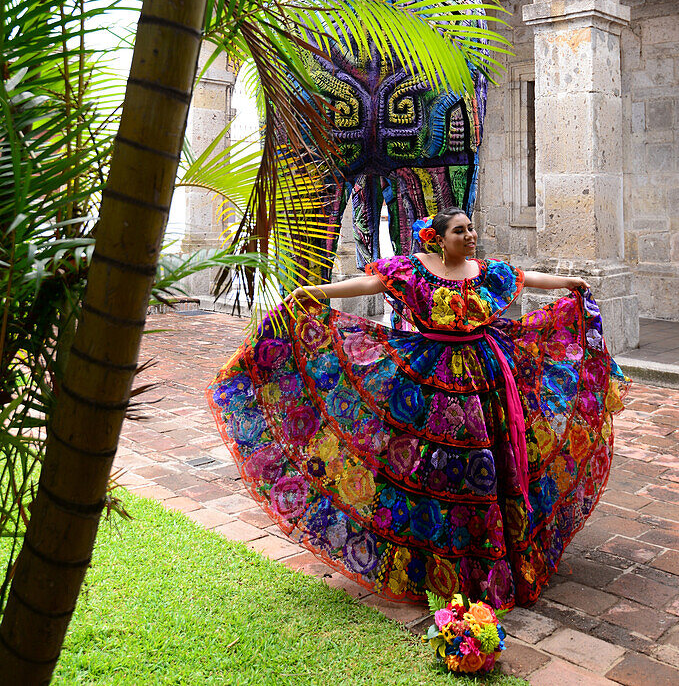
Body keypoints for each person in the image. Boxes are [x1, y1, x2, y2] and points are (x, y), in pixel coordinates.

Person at [207, 207, 627, 610]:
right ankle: (437, 547)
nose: (470, 235)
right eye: (460, 231)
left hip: (487, 373)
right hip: (432, 372)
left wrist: (569, 282)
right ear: (440, 239)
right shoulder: (414, 269)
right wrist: (317, 291)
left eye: (471, 229)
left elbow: (528, 278)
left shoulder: (488, 272)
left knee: (491, 457)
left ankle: (493, 550)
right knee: (436, 460)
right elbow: (368, 285)